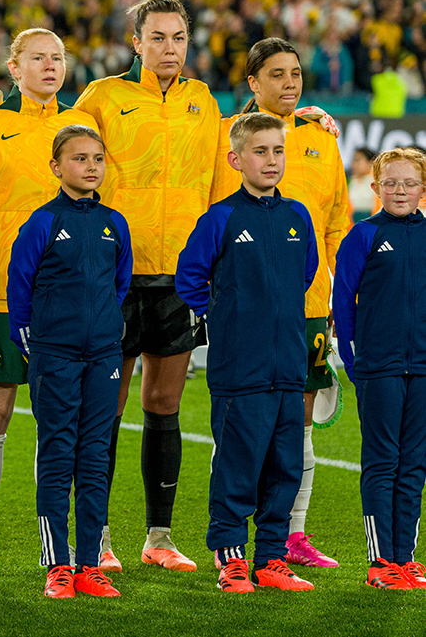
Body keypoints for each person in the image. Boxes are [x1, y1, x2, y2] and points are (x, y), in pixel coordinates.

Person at [73, 0, 221, 572]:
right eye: (157, 37)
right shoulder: (102, 98)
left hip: (179, 278)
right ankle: (99, 534)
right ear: (136, 42)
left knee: (164, 403)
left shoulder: (203, 100)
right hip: (116, 274)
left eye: (179, 38)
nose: (169, 48)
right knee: (105, 405)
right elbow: (62, 156)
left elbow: (219, 181)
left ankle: (159, 538)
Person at [0, 28, 100, 576]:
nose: (50, 66)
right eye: (37, 57)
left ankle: (65, 549)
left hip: (68, 301)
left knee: (62, 423)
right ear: (13, 67)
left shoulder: (80, 126)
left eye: (58, 57)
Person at [210, 38, 350, 569]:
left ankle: (292, 537)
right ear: (253, 82)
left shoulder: (320, 137)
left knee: (301, 421)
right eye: (276, 74)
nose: (289, 83)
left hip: (308, 305)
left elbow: (336, 220)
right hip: (247, 310)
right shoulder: (230, 138)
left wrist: (340, 292)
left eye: (295, 72)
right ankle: (230, 543)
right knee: (240, 423)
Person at [175, 112, 317, 594]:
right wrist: (228, 317)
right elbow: (190, 278)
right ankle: (231, 559)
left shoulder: (299, 216)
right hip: (240, 367)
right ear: (237, 159)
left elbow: (305, 276)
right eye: (260, 151)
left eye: (278, 151)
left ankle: (272, 560)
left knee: (284, 468)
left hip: (289, 366)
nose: (271, 160)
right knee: (238, 466)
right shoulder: (221, 217)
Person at [7, 125, 131, 599]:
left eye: (98, 158)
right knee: (58, 455)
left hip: (103, 355)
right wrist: (36, 342)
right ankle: (57, 565)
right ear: (57, 167)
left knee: (95, 456)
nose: (91, 166)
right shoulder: (41, 222)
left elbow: (118, 285)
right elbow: (21, 286)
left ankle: (90, 563)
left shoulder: (114, 222)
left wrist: (103, 329)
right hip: (53, 355)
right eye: (80, 159)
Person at [332, 148, 426, 589]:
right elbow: (343, 304)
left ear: (423, 189)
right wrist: (354, 361)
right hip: (378, 367)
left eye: (409, 183)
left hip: (423, 367)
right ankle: (380, 562)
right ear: (375, 188)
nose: (400, 190)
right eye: (391, 183)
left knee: (414, 465)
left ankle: (406, 557)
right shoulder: (362, 236)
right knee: (383, 462)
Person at [348, 148, 377, 222]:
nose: (354, 164)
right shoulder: (353, 182)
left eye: (357, 160)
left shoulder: (377, 182)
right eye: (353, 160)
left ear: (370, 162)